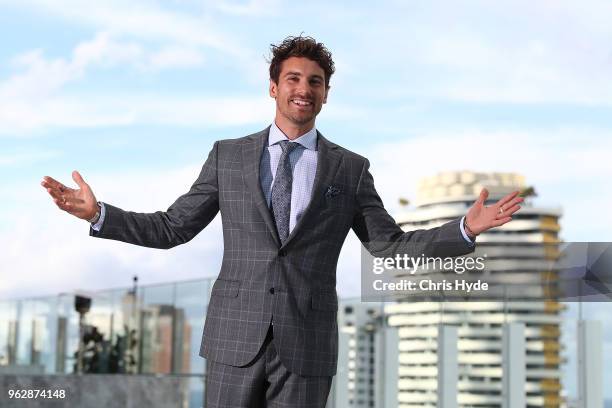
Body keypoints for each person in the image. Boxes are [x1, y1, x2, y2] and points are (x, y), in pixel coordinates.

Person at [41, 35, 523, 408]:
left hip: (307, 345)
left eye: (315, 82)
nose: (303, 89)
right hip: (234, 337)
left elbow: (389, 245)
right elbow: (174, 227)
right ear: (274, 87)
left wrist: (465, 230)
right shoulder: (228, 157)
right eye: (293, 79)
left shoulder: (349, 168)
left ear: (326, 94)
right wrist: (100, 214)